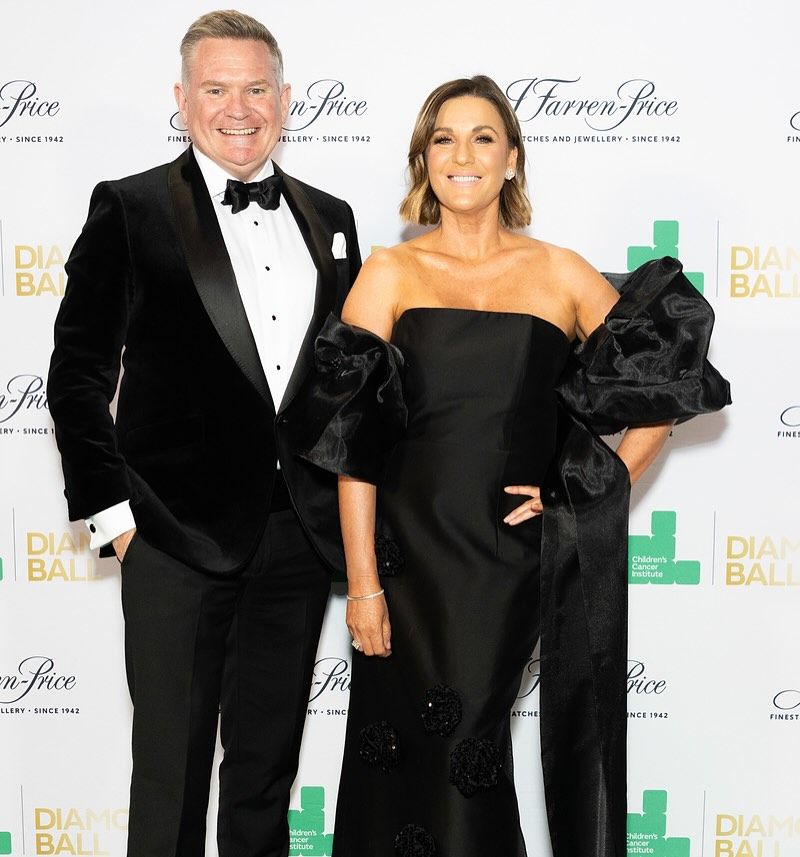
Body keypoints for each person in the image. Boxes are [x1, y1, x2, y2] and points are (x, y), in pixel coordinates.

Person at [298, 76, 730, 857]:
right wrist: (362, 584)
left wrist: (585, 495)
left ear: (513, 159)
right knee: (396, 756)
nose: (462, 154)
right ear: (424, 160)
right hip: (403, 560)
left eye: (483, 137)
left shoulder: (560, 273)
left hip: (505, 560)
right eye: (444, 138)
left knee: (470, 753)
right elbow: (351, 445)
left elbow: (665, 388)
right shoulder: (389, 273)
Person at [47, 11, 360, 857]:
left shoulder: (331, 218)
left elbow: (348, 384)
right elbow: (76, 376)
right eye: (216, 88)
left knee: (265, 773)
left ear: (285, 98)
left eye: (256, 88)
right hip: (172, 538)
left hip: (297, 539)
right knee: (171, 777)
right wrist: (117, 521)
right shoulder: (131, 207)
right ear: (181, 99)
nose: (238, 108)